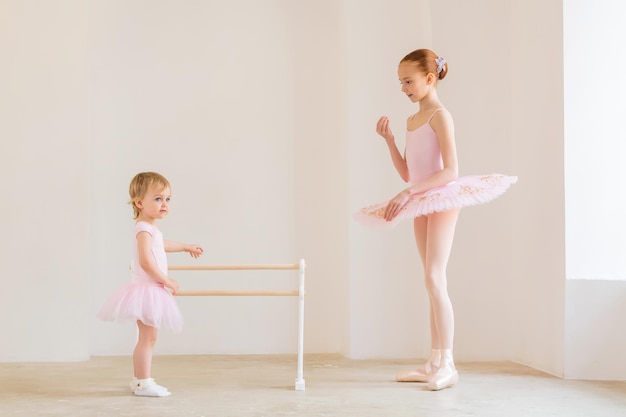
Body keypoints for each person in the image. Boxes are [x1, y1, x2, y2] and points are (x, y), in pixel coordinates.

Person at [354, 49, 516, 391]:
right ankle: (433, 362)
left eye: (409, 81)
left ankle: (449, 364)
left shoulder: (441, 116)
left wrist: (407, 195)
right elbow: (409, 174)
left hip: (443, 199)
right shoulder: (412, 120)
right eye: (400, 82)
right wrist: (390, 141)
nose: (403, 88)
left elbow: (450, 170)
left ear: (430, 79)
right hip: (421, 200)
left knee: (434, 276)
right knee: (429, 281)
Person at [98, 172, 204, 397]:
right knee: (147, 338)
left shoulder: (150, 228)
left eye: (167, 199)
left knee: (149, 337)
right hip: (147, 289)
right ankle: (142, 382)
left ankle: (141, 380)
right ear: (139, 202)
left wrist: (186, 246)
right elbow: (146, 261)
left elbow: (161, 245)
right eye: (158, 199)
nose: (164, 204)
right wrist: (166, 280)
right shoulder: (143, 229)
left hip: (150, 289)